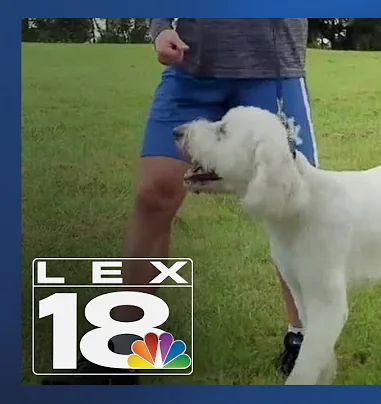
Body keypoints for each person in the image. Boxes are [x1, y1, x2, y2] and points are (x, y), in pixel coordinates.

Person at [43, 18, 316, 385]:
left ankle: (303, 337)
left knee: (289, 205)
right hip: (191, 70)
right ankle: (124, 342)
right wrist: (160, 28)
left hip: (272, 70)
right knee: (153, 194)